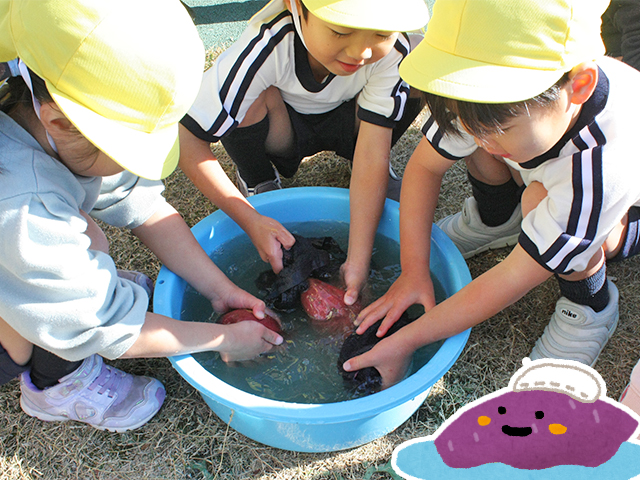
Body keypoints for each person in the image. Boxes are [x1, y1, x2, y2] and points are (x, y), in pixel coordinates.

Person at [0, 0, 282, 432]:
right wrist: (220, 338)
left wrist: (219, 289)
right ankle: (55, 385)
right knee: (76, 259)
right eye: (126, 152)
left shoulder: (44, 115)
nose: (132, 167)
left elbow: (142, 205)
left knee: (85, 241)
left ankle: (61, 291)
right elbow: (102, 325)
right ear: (58, 122)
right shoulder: (25, 203)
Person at [341, 0, 640, 388]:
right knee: (487, 147)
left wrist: (408, 339)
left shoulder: (604, 159)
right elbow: (425, 167)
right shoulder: (488, 97)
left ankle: (590, 304)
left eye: (501, 126)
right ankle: (496, 220)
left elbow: (517, 274)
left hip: (621, 210)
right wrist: (414, 271)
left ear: (578, 86)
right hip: (546, 173)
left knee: (538, 202)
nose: (481, 135)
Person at [179, 0, 429, 307]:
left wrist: (357, 263)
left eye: (380, 34)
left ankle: (368, 177)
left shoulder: (393, 51)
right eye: (341, 31)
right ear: (296, 6)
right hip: (282, 127)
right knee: (244, 96)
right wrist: (249, 218)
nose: (360, 52)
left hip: (354, 123)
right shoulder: (268, 44)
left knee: (420, 60)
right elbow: (187, 138)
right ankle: (257, 179)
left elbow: (371, 151)